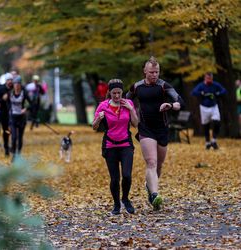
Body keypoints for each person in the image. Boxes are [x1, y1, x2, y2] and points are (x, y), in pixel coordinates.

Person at [126, 56, 184, 211]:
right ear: (145, 71)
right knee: (151, 162)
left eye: (157, 72)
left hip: (162, 129)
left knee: (159, 164)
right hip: (145, 128)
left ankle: (150, 186)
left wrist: (170, 105)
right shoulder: (137, 87)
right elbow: (127, 101)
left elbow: (180, 101)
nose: (154, 75)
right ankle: (154, 195)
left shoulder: (164, 86)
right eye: (151, 72)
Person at [92, 79, 139, 215]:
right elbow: (94, 127)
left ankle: (125, 199)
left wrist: (131, 110)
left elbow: (135, 124)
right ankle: (116, 204)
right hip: (110, 146)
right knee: (115, 178)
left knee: (127, 175)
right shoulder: (103, 106)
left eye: (119, 93)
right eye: (114, 93)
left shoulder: (128, 103)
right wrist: (98, 119)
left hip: (126, 145)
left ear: (122, 92)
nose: (117, 96)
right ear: (109, 93)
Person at [191, 72, 226, 150]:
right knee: (206, 125)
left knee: (217, 121)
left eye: (210, 78)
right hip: (204, 107)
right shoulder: (201, 85)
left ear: (212, 78)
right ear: (205, 78)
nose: (209, 80)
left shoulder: (215, 84)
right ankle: (207, 142)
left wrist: (218, 93)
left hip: (214, 106)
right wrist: (201, 93)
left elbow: (224, 90)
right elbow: (193, 92)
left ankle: (214, 140)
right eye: (208, 78)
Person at [9, 75, 31, 162]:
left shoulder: (24, 93)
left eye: (18, 83)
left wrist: (25, 109)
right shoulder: (10, 93)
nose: (16, 85)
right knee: (14, 137)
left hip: (21, 118)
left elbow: (31, 103)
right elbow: (7, 104)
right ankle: (14, 154)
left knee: (20, 137)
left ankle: (18, 153)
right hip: (13, 118)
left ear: (20, 85)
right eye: (15, 83)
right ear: (13, 85)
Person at [0, 72, 14, 156]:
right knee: (6, 130)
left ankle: (13, 146)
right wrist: (2, 99)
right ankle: (6, 147)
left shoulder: (14, 88)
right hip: (4, 113)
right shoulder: (1, 89)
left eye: (11, 80)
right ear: (6, 81)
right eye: (8, 80)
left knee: (13, 130)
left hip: (14, 113)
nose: (10, 81)